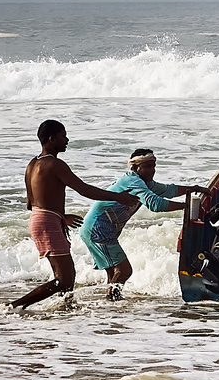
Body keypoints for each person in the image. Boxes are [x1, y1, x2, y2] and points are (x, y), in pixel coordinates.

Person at [12, 119, 134, 311]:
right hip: (48, 222)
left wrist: (60, 215)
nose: (67, 140)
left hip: (39, 219)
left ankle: (66, 311)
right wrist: (119, 197)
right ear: (51, 139)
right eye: (63, 136)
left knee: (66, 279)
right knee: (64, 280)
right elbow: (84, 190)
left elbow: (30, 203)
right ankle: (15, 305)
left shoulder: (31, 165)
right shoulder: (55, 164)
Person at [78, 148, 188, 298]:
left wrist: (194, 189)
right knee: (124, 271)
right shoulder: (133, 181)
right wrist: (185, 206)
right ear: (135, 168)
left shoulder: (145, 183)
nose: (152, 170)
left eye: (154, 166)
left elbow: (168, 190)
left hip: (97, 228)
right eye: (148, 166)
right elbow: (155, 204)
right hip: (98, 228)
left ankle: (110, 306)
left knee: (114, 273)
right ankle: (111, 301)